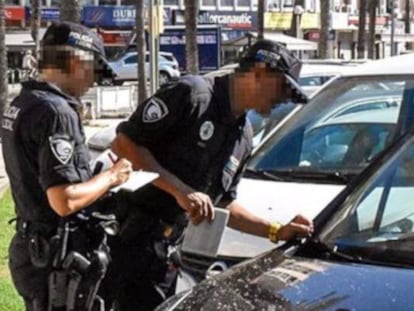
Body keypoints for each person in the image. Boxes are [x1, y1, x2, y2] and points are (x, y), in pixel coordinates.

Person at [102, 39, 314, 310]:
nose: (283, 98)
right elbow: (124, 144)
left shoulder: (243, 136)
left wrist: (275, 230)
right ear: (259, 72)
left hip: (166, 255)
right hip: (125, 244)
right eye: (282, 88)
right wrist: (180, 190)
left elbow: (223, 204)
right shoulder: (192, 95)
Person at [1, 21, 132, 311]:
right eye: (94, 70)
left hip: (32, 245)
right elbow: (64, 199)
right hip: (55, 256)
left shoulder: (23, 101)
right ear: (75, 62)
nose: (94, 82)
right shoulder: (56, 111)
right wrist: (112, 176)